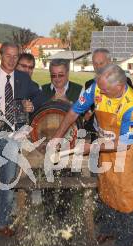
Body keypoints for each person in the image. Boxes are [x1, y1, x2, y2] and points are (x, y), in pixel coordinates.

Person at [52, 64, 133, 246]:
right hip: (104, 147)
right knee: (105, 189)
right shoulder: (97, 86)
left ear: (120, 86)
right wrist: (57, 137)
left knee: (126, 197)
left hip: (127, 152)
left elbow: (123, 143)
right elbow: (74, 111)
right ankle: (108, 228)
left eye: (105, 90)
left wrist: (91, 147)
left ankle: (124, 244)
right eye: (99, 88)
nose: (100, 93)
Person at [0, 42, 44, 241]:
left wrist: (31, 105)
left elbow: (40, 96)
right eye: (8, 55)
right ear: (0, 55)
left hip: (13, 139)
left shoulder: (23, 78)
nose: (12, 60)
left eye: (16, 57)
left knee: (7, 183)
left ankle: (3, 222)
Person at [40, 58, 83, 221]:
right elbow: (36, 117)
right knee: (48, 177)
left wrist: (69, 103)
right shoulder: (42, 89)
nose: (57, 79)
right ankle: (48, 212)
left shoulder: (78, 90)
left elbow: (84, 115)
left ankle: (63, 213)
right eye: (53, 76)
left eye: (61, 75)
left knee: (67, 178)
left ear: (68, 74)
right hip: (48, 140)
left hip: (70, 141)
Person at [83, 48, 133, 141]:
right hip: (95, 134)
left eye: (101, 63)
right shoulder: (89, 84)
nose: (98, 67)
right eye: (95, 63)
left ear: (110, 63)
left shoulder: (124, 82)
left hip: (116, 135)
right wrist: (86, 113)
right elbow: (87, 109)